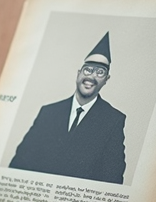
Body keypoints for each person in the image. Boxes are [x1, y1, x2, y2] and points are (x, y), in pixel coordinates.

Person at [9, 32, 126, 183]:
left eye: (100, 72)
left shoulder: (113, 120)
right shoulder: (49, 113)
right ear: (78, 74)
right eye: (88, 70)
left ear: (106, 80)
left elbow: (113, 177)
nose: (91, 76)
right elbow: (20, 163)